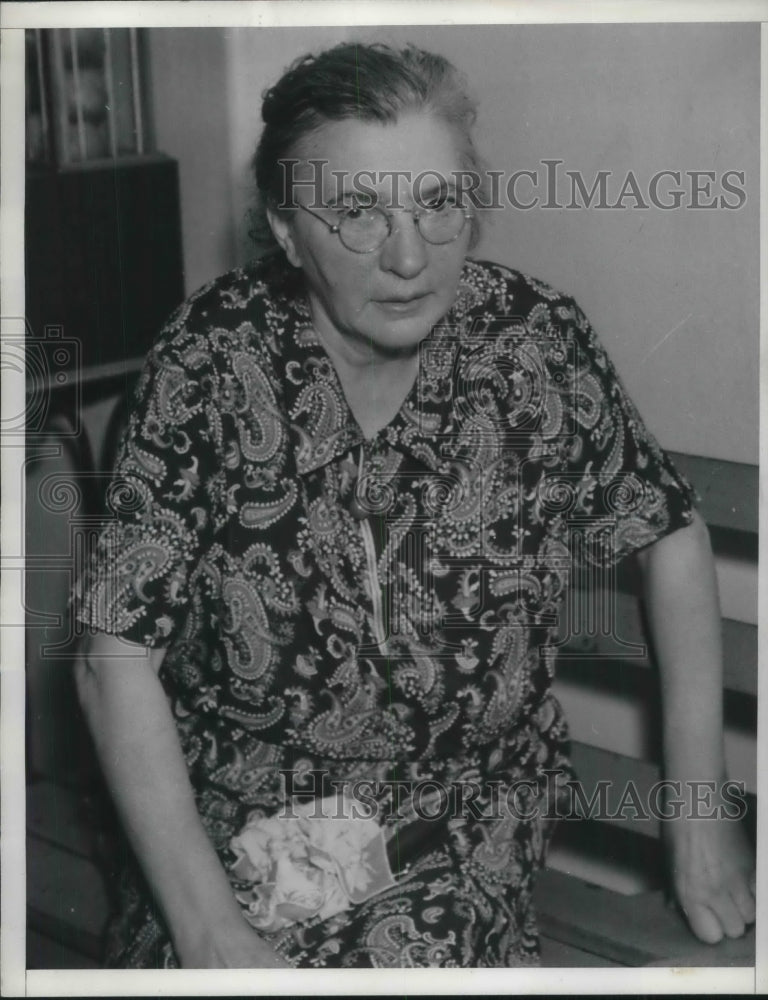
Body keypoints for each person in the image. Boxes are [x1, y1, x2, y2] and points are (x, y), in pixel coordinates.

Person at [74, 42, 755, 969]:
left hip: (455, 816)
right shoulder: (211, 361)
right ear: (284, 226)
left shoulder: (531, 346)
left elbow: (668, 533)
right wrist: (211, 936)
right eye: (357, 211)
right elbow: (111, 652)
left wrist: (698, 811)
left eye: (437, 203)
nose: (408, 255)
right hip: (228, 824)